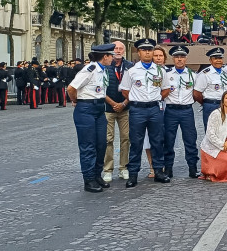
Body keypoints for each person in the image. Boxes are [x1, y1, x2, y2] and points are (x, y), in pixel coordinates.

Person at [120, 38, 168, 187]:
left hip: (154, 108)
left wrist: (155, 98)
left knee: (157, 140)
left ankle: (158, 171)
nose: (147, 52)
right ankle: (133, 173)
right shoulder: (132, 71)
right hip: (137, 109)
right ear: (139, 52)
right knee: (136, 142)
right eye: (144, 50)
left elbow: (166, 89)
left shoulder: (160, 70)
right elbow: (125, 90)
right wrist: (137, 99)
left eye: (150, 50)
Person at [67, 44, 115, 193]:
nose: (112, 58)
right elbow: (71, 88)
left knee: (102, 143)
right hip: (86, 108)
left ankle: (96, 175)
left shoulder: (103, 70)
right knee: (88, 146)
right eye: (111, 55)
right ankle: (89, 179)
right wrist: (76, 101)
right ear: (105, 57)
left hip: (99, 108)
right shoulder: (90, 70)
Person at [161, 45, 200, 179]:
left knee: (190, 139)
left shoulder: (193, 75)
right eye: (177, 57)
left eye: (182, 57)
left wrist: (189, 103)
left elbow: (197, 93)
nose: (179, 59)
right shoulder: (166, 75)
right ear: (173, 59)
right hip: (171, 110)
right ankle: (168, 168)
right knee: (168, 140)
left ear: (186, 59)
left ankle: (193, 167)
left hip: (186, 110)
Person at [102, 41, 133, 182]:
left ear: (124, 51)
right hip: (108, 108)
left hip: (125, 108)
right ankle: (107, 169)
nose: (118, 50)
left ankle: (123, 167)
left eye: (121, 48)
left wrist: (124, 103)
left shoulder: (130, 67)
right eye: (115, 48)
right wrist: (114, 103)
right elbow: (100, 89)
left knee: (125, 139)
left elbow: (134, 89)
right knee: (108, 140)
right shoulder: (104, 66)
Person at [194, 47, 227, 131]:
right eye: (215, 58)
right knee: (211, 131)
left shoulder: (225, 73)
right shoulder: (205, 74)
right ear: (210, 61)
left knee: (224, 130)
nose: (218, 60)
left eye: (220, 58)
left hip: (225, 105)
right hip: (211, 105)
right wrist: (205, 102)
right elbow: (196, 93)